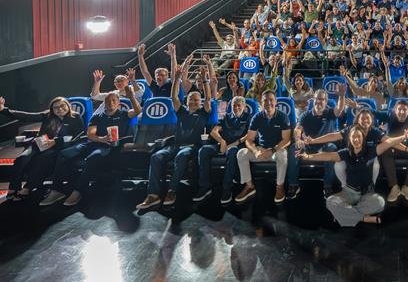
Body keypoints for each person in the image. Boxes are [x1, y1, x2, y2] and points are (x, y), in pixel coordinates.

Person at [296, 123, 408, 227]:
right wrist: (308, 156)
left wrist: (404, 137)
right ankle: (364, 218)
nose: (356, 139)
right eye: (353, 137)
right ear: (349, 139)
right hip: (349, 192)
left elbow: (388, 142)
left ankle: (346, 215)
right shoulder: (345, 153)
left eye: (358, 136)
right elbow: (328, 156)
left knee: (380, 203)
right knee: (330, 201)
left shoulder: (371, 150)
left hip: (367, 193)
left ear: (363, 138)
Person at [40, 87, 141, 206]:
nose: (111, 103)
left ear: (119, 102)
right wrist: (101, 139)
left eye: (114, 100)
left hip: (108, 147)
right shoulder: (97, 116)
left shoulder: (124, 114)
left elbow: (137, 111)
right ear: (104, 102)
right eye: (108, 100)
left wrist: (132, 97)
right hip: (92, 143)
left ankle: (78, 191)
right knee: (64, 154)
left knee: (93, 157)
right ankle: (57, 190)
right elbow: (90, 134)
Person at [136, 64, 212, 210]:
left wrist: (204, 80)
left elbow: (208, 97)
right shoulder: (181, 111)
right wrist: (176, 78)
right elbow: (173, 96)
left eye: (197, 100)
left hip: (191, 148)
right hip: (175, 145)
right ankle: (153, 195)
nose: (195, 102)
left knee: (181, 157)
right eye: (192, 99)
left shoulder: (203, 112)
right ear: (187, 101)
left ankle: (172, 191)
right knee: (156, 157)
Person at [0, 96, 84, 201]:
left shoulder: (76, 117)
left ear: (68, 106)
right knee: (21, 158)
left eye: (62, 106)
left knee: (43, 159)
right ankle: (13, 187)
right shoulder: (47, 115)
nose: (60, 109)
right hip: (39, 143)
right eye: (56, 107)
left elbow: (79, 136)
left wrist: (56, 141)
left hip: (57, 147)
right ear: (52, 109)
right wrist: (4, 110)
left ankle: (28, 187)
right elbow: (27, 116)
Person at [234, 90, 292, 204]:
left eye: (271, 100)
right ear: (261, 102)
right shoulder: (257, 117)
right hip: (261, 150)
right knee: (241, 153)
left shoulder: (283, 117)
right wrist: (255, 151)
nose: (268, 103)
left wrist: (273, 150)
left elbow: (287, 140)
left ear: (275, 102)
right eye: (265, 100)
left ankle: (279, 187)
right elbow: (249, 140)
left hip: (276, 150)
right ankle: (249, 186)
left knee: (283, 155)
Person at [289, 88, 346, 199]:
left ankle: (328, 185)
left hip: (325, 146)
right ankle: (293, 184)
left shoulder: (330, 112)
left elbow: (339, 109)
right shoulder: (305, 115)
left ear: (326, 101)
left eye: (322, 99)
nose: (319, 101)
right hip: (308, 145)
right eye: (317, 99)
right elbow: (297, 129)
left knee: (331, 148)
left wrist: (342, 96)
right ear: (313, 100)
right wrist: (298, 139)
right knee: (293, 149)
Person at [195, 96, 252, 204]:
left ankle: (227, 188)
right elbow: (214, 131)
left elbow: (249, 135)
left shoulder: (248, 117)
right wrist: (222, 141)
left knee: (232, 151)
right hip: (224, 144)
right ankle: (205, 187)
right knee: (204, 150)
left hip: (238, 146)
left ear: (244, 107)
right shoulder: (227, 117)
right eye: (234, 105)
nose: (236, 107)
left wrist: (234, 144)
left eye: (239, 105)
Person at [379, 100, 408, 205]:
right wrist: (357, 106)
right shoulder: (389, 116)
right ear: (395, 110)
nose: (402, 112)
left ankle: (407, 187)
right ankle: (394, 187)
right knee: (385, 149)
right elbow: (375, 113)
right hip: (393, 147)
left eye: (404, 110)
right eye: (399, 109)